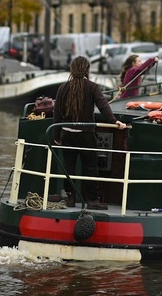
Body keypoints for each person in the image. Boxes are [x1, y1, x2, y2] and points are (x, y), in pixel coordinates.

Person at [53, 56, 126, 210]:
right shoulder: (92, 87)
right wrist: (114, 122)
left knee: (69, 167)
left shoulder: (63, 88)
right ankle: (92, 200)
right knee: (90, 167)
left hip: (67, 133)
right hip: (86, 134)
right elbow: (103, 106)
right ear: (87, 69)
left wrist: (56, 135)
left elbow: (57, 114)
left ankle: (70, 197)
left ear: (71, 69)